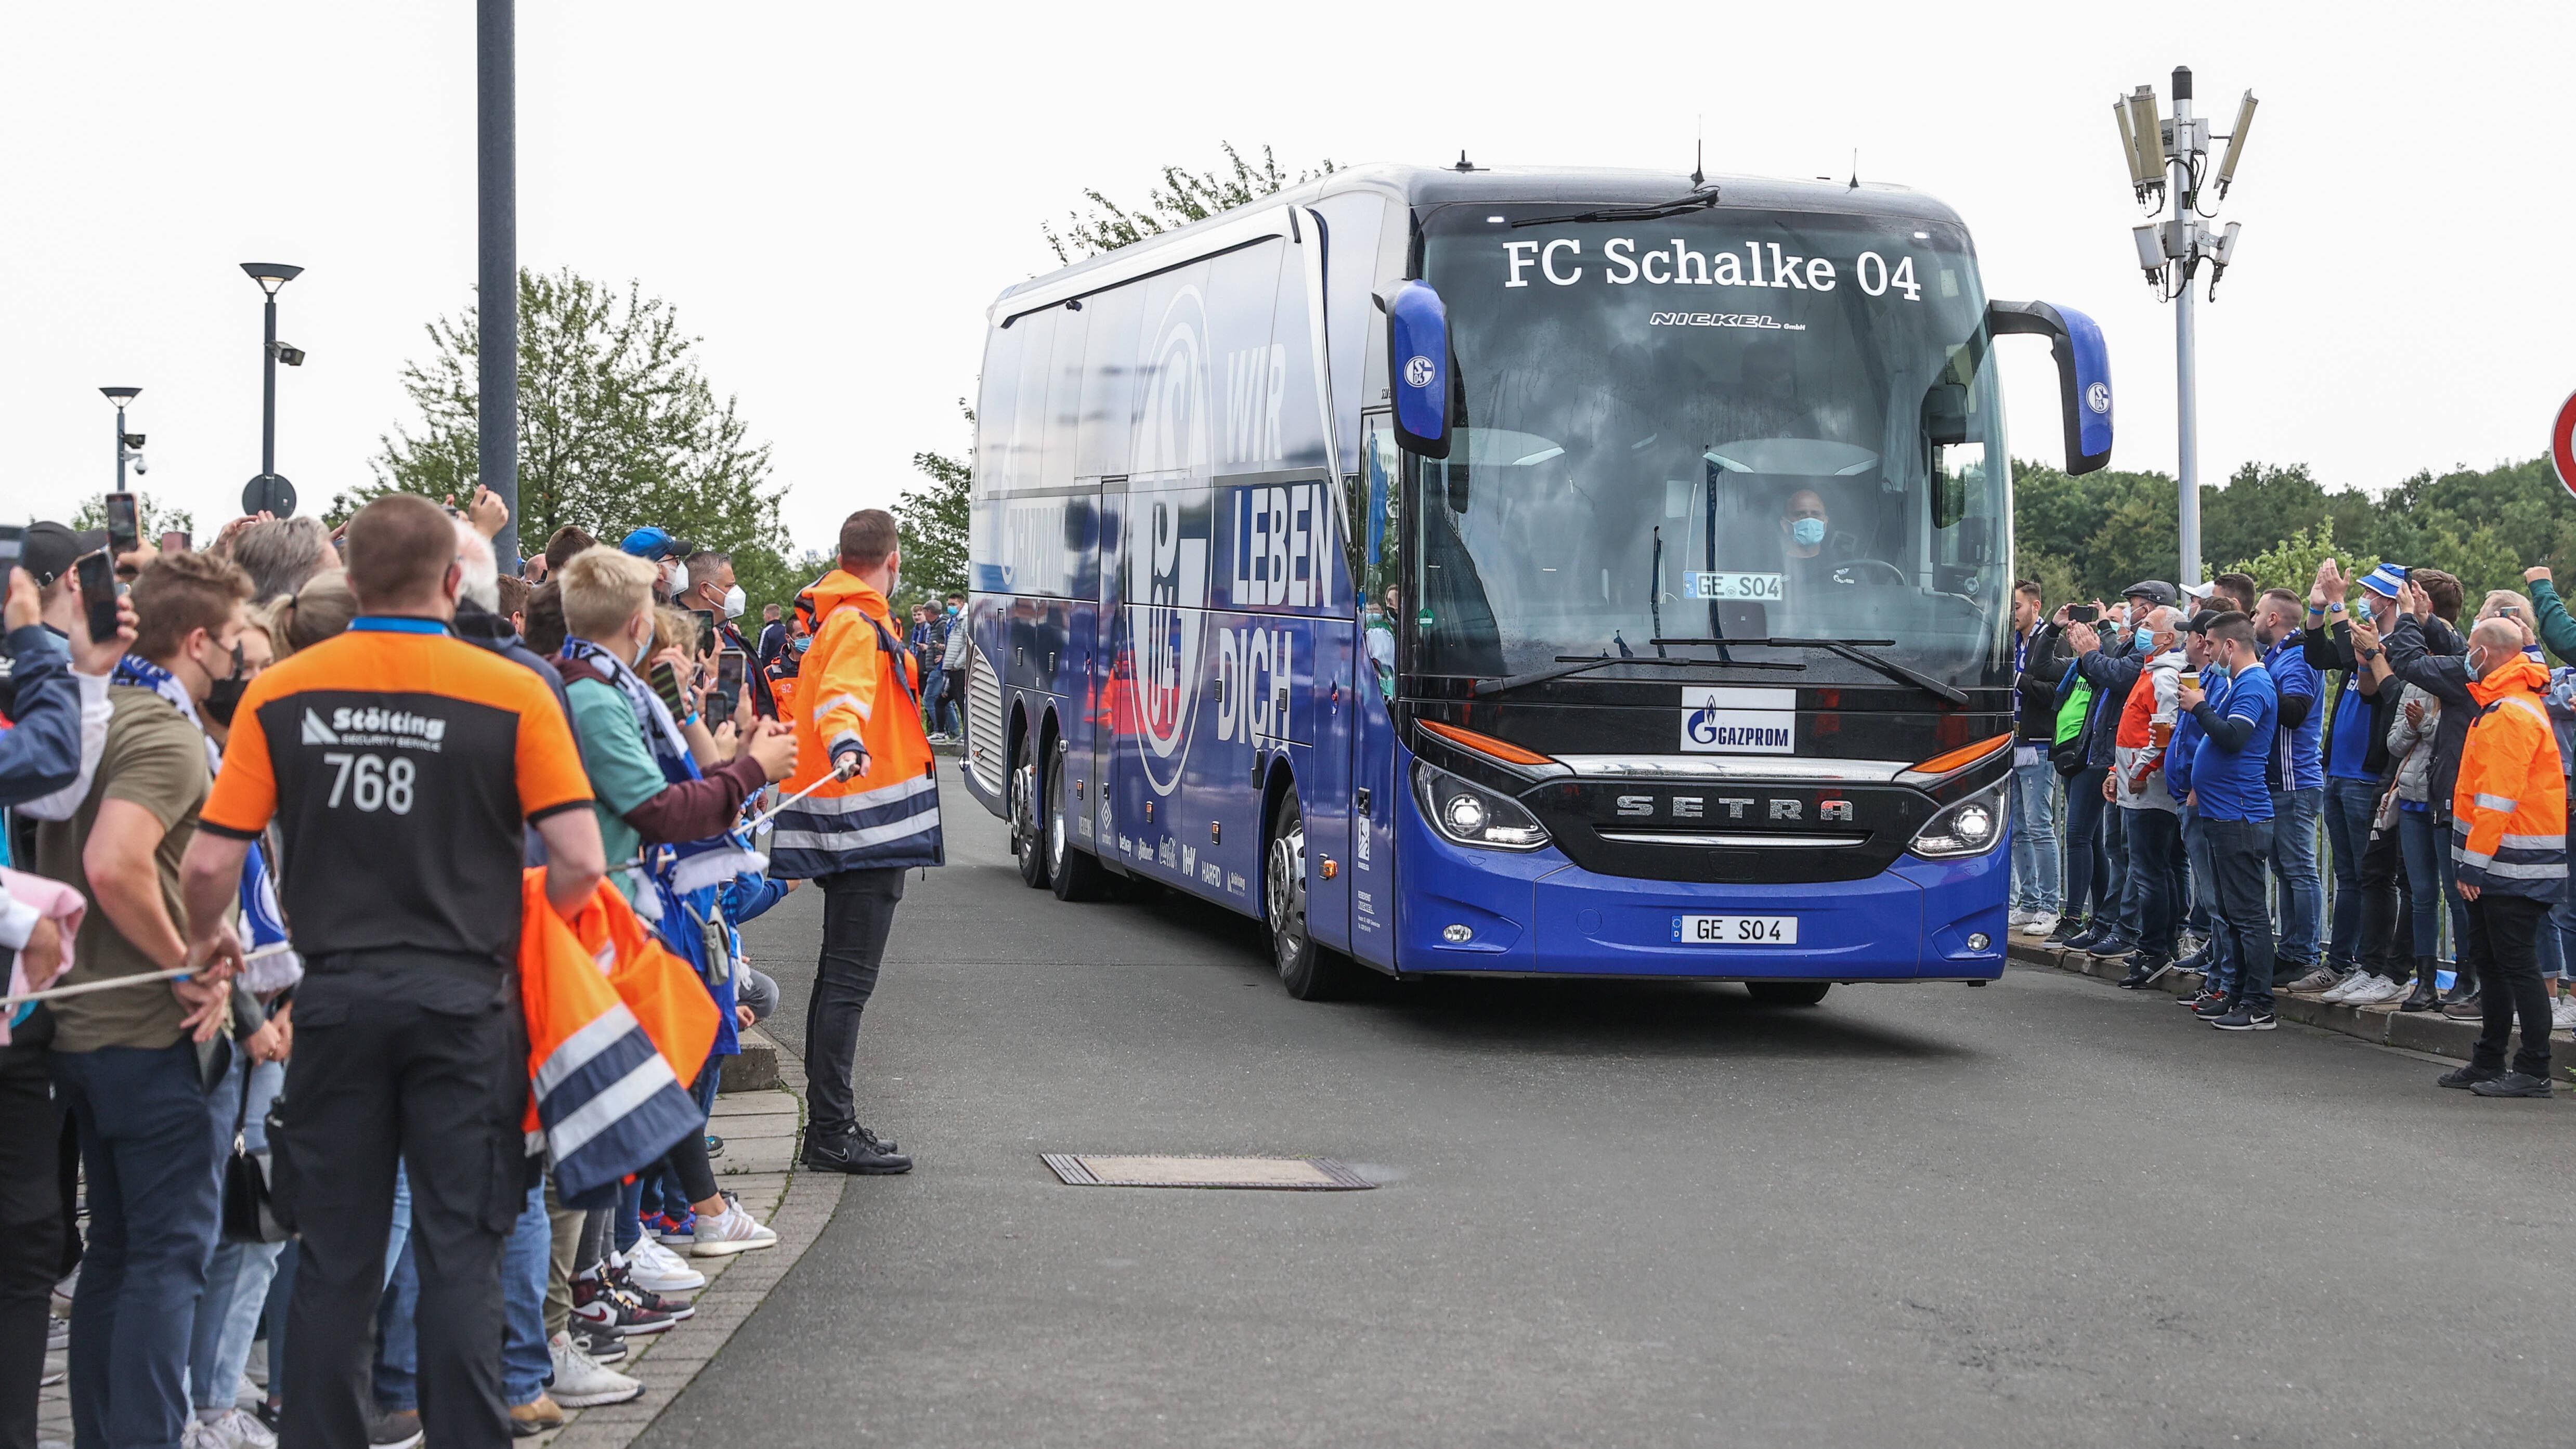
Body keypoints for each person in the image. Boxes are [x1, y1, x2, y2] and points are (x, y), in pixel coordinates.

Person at [177, 494, 606, 1449]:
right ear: (454, 581)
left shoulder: (284, 690)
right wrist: (527, 929)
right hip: (465, 997)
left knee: (335, 1252)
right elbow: (579, 858)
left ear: (351, 579)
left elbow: (208, 864)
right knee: (462, 1246)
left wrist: (212, 946)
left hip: (337, 998)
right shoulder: (511, 690)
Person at [34, 550, 254, 1449]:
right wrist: (185, 963)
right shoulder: (158, 733)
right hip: (149, 1032)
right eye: (238, 638)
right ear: (198, 642)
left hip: (79, 1027)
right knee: (169, 1259)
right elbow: (115, 861)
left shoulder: (85, 722)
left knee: (119, 1257)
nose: (245, 655)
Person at [776, 510, 939, 1177]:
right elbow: (842, 698)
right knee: (846, 983)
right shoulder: (855, 624)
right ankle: (832, 1132)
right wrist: (847, 741)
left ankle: (831, 1126)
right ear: (890, 559)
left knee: (837, 981)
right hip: (863, 829)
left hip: (858, 824)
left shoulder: (848, 618)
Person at [2435, 617, 2565, 1096]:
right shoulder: (2502, 706)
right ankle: (2490, 1059)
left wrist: (2474, 861)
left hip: (2510, 864)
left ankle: (2533, 1068)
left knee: (2515, 964)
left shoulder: (2509, 712)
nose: (2467, 656)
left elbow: (2497, 799)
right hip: (2505, 861)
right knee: (2493, 961)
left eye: (2471, 648)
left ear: (2489, 653)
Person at [2305, 561, 2414, 1004]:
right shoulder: (2361, 638)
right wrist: (2318, 609)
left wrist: (2337, 605)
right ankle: (2348, 962)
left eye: (2370, 591)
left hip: (2370, 776)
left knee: (2375, 876)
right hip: (2340, 771)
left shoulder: (2398, 648)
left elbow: (2358, 665)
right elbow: (2320, 656)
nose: (2363, 596)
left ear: (2389, 601)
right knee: (2351, 875)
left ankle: (2377, 964)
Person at [2177, 611, 2281, 1031]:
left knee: (2249, 914)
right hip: (2223, 811)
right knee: (2233, 913)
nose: (2208, 652)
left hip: (2242, 812)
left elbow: (2234, 736)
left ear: (2231, 646)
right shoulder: (2240, 683)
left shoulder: (2255, 684)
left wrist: (2199, 706)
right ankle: (2237, 992)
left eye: (2212, 645)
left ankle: (2259, 1002)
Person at [2104, 606, 2188, 986]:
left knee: (2151, 870)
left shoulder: (2166, 676)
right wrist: (2115, 772)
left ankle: (2156, 948)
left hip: (2149, 790)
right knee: (2155, 869)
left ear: (2168, 638)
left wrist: (2137, 773)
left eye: (2148, 627)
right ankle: (2158, 945)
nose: (2139, 630)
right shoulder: (2151, 671)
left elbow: (2162, 733)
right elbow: (2135, 729)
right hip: (2136, 784)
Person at [2251, 589, 2327, 991]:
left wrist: (2257, 687)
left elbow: (2296, 712)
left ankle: (2305, 953)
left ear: (2276, 618)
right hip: (2279, 780)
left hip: (2295, 779)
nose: (2253, 618)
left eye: (2259, 612)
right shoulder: (2277, 655)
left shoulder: (2296, 655)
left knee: (2300, 867)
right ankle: (2293, 945)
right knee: (2284, 867)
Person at [2007, 583, 2068, 938]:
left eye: (2017, 607)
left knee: (2039, 824)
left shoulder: (2050, 640)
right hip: (2013, 742)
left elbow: (2055, 692)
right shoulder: (2013, 641)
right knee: (2017, 826)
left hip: (2040, 743)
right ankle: (2028, 901)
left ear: (2035, 606)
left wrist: (2019, 680)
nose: (2013, 613)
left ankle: (2049, 905)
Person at [674, 549, 775, 721]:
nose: (738, 592)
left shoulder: (728, 634)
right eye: (730, 586)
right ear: (705, 590)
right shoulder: (674, 640)